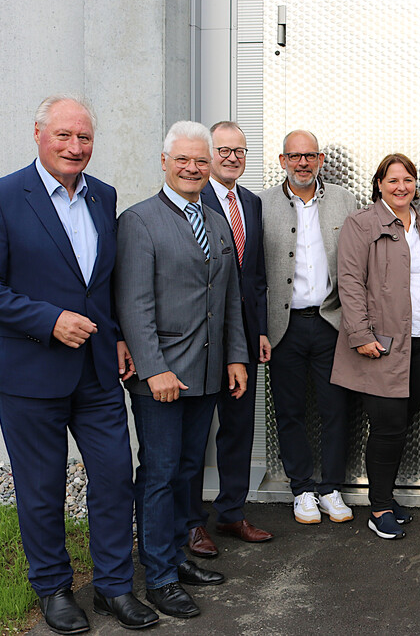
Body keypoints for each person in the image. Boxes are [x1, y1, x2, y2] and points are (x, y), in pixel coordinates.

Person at [0, 95, 159, 632]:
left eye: (85, 138)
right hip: (29, 373)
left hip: (96, 371)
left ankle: (114, 587)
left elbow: (102, 283)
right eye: (65, 136)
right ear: (38, 134)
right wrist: (48, 320)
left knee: (116, 477)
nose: (76, 147)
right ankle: (52, 588)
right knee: (42, 486)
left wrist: (116, 337)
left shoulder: (103, 197)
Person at [115, 121, 248, 619]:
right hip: (163, 378)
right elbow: (134, 303)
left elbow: (229, 298)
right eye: (183, 160)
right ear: (165, 162)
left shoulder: (215, 221)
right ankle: (160, 578)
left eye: (200, 160)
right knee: (159, 474)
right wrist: (153, 369)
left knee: (188, 472)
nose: (193, 168)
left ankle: (174, 558)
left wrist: (235, 356)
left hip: (208, 372)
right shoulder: (140, 220)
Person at [331, 153, 420, 540]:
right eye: (392, 180)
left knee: (400, 425)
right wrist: (361, 335)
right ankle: (378, 509)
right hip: (381, 344)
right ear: (379, 184)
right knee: (387, 427)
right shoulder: (361, 224)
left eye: (407, 180)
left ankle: (387, 499)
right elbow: (350, 281)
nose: (401, 187)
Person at [261, 130, 359, 525]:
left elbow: (357, 263)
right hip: (283, 325)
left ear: (320, 160)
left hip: (330, 322)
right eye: (294, 156)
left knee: (337, 409)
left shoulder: (344, 200)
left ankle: (332, 488)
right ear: (283, 160)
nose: (302, 163)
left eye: (310, 156)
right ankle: (301, 489)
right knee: (289, 411)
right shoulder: (261, 204)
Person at [187, 121, 273, 557]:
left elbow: (254, 275)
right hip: (200, 337)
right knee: (196, 430)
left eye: (239, 150)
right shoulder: (190, 197)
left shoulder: (251, 203)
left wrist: (258, 330)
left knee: (238, 427)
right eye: (223, 150)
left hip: (243, 336)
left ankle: (232, 512)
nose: (232, 157)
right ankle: (189, 522)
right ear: (209, 153)